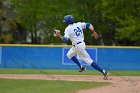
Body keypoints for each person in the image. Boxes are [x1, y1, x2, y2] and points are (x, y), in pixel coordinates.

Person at [54, 15, 109, 80]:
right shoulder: (79, 24)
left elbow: (65, 40)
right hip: (78, 45)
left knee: (89, 61)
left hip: (78, 47)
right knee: (69, 55)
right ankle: (81, 67)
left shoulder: (68, 29)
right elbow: (89, 24)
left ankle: (104, 72)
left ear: (67, 22)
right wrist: (94, 31)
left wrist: (59, 35)